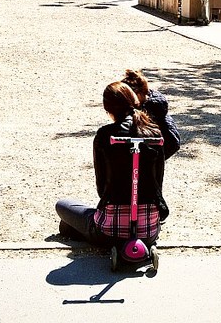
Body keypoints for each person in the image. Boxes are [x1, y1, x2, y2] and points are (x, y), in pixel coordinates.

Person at [56, 81, 168, 247]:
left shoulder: (104, 136)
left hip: (109, 231)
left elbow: (102, 189)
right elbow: (158, 183)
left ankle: (82, 232)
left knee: (63, 207)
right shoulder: (154, 134)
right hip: (148, 231)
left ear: (107, 109)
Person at [121, 68, 180, 159]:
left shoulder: (154, 109)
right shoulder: (146, 104)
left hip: (156, 151)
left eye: (129, 96)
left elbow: (172, 142)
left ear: (139, 94)